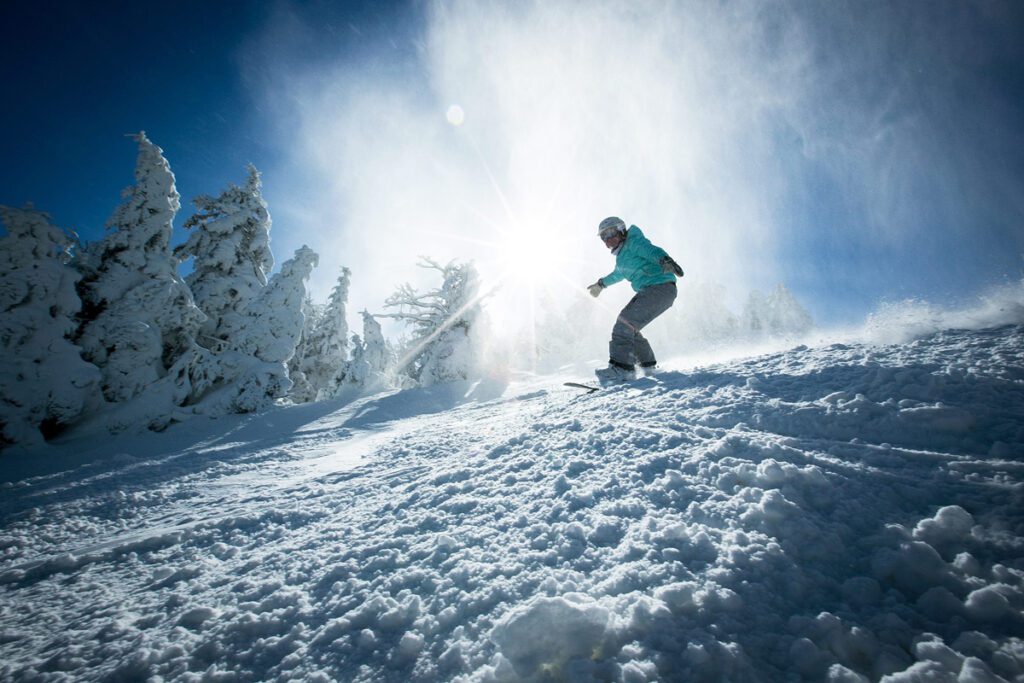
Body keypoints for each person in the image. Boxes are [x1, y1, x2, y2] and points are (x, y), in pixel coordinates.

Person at [587, 216, 684, 384]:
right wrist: (601, 284)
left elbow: (650, 250)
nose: (607, 239)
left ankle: (622, 369)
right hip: (653, 291)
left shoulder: (633, 242)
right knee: (630, 327)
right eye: (603, 237)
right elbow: (618, 274)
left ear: (621, 229)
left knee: (624, 324)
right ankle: (647, 365)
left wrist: (665, 260)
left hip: (659, 288)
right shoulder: (622, 257)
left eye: (610, 233)